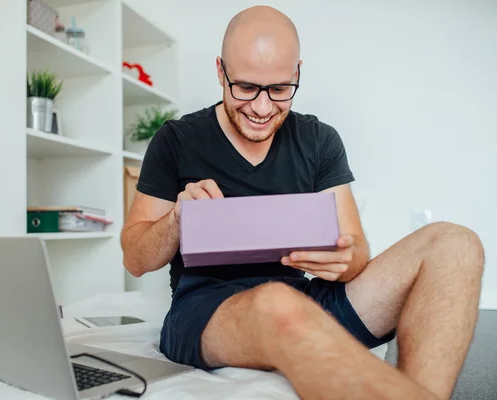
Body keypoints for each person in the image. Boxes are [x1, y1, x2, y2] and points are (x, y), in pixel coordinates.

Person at [120, 5, 485, 400]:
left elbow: (357, 252)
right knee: (276, 302)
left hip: (306, 299)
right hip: (206, 311)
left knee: (457, 244)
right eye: (245, 88)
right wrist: (176, 219)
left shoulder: (319, 139)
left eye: (279, 90)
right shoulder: (176, 140)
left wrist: (345, 261)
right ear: (220, 72)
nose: (262, 109)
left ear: (297, 73)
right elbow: (135, 260)